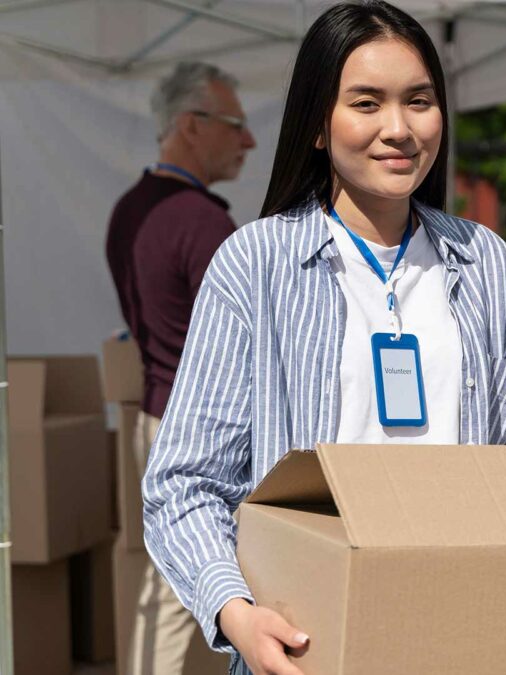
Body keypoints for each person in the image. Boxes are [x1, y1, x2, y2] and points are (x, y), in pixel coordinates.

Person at [141, 3, 506, 674]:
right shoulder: (256, 265)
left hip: (466, 629)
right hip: (309, 639)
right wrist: (236, 612)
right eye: (366, 103)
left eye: (419, 101)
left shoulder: (488, 263)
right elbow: (184, 480)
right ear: (319, 124)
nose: (398, 129)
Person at [105, 61, 255, 675]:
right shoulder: (201, 222)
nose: (247, 140)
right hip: (195, 433)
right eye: (235, 125)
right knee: (180, 588)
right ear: (191, 125)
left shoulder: (129, 210)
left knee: (161, 582)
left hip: (154, 416)